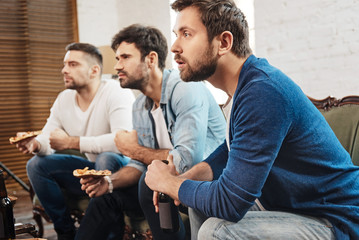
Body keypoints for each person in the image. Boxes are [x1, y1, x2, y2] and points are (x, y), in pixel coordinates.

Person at [144, 1, 359, 239]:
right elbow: (230, 151)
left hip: (336, 220)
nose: (174, 46)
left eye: (187, 34)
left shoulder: (262, 92)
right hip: (296, 208)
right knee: (199, 204)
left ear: (224, 43)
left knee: (215, 232)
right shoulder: (244, 87)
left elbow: (230, 203)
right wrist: (186, 178)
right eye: (176, 35)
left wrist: (168, 183)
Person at [75, 24, 226, 240]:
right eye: (117, 58)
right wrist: (109, 182)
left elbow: (187, 160)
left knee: (150, 180)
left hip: (203, 183)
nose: (117, 66)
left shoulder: (185, 88)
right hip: (164, 185)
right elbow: (138, 164)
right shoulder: (139, 106)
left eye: (125, 57)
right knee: (106, 197)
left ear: (151, 59)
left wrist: (134, 150)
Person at [14, 42, 135, 240]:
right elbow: (48, 136)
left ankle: (110, 234)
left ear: (94, 70)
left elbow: (121, 142)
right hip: (91, 167)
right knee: (36, 164)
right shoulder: (64, 98)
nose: (64, 70)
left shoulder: (116, 91)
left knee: (106, 157)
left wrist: (72, 142)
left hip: (122, 171)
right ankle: (66, 232)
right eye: (64, 64)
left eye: (73, 64)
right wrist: (35, 144)